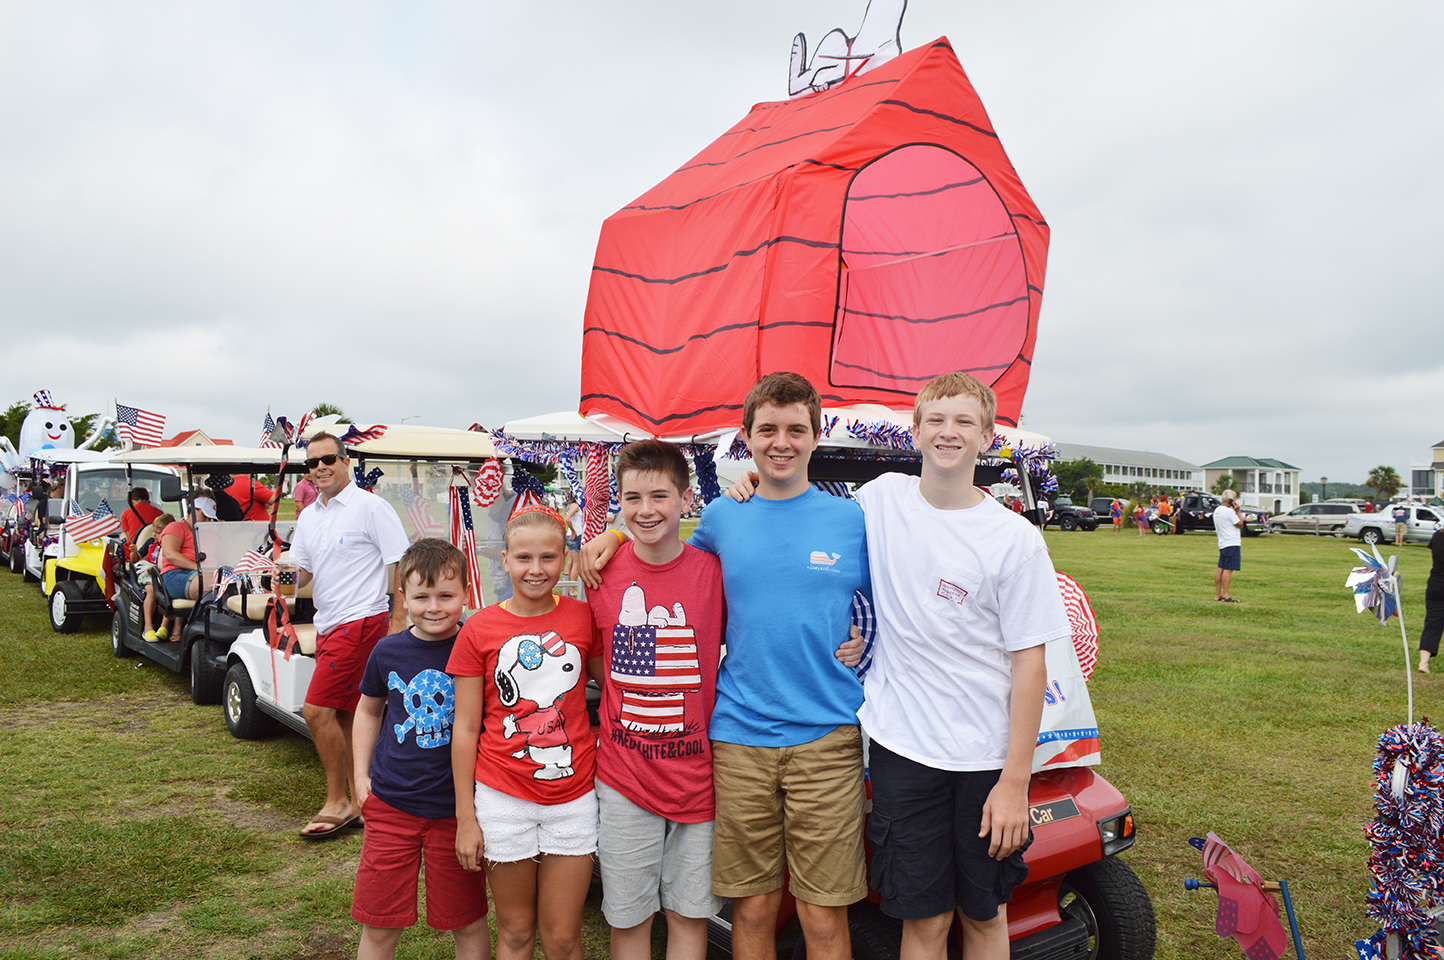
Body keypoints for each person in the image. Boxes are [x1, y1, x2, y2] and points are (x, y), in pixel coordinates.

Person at [581, 372, 871, 960]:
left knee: (822, 914)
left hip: (827, 736)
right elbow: (662, 551)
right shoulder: (722, 516)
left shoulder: (853, 520)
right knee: (753, 907)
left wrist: (864, 637)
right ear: (747, 436)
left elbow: (890, 599)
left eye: (796, 429)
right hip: (739, 737)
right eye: (768, 430)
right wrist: (612, 536)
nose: (781, 442)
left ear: (817, 436)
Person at [854, 372, 1065, 960]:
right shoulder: (881, 499)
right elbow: (807, 518)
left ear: (987, 437)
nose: (949, 432)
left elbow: (1031, 665)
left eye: (964, 422)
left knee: (984, 914)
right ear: (916, 431)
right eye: (937, 420)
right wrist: (751, 482)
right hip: (903, 751)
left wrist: (1015, 783)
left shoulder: (1014, 539)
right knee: (923, 921)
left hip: (986, 761)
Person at [585, 440, 725, 960]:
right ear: (619, 501)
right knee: (630, 917)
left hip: (698, 778)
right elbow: (595, 659)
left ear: (686, 499)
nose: (646, 510)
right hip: (625, 776)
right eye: (632, 498)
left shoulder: (713, 571)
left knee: (689, 916)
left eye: (660, 496)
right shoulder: (600, 573)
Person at [449, 506, 599, 960]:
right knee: (515, 932)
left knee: (562, 937)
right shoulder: (478, 628)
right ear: (505, 560)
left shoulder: (583, 618)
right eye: (524, 558)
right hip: (502, 799)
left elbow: (613, 689)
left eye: (548, 557)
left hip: (573, 797)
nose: (536, 569)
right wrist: (466, 818)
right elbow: (466, 728)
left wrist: (613, 537)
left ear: (565, 558)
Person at [350, 538, 490, 960]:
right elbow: (368, 711)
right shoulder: (387, 651)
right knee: (380, 924)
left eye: (446, 596)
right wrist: (359, 776)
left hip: (456, 813)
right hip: (392, 805)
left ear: (466, 593)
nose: (434, 607)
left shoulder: (479, 649)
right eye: (422, 596)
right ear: (403, 597)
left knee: (467, 922)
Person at [290, 431, 411, 840]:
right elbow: (304, 572)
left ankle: (337, 801)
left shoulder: (370, 507)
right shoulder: (309, 516)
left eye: (328, 459)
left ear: (345, 462)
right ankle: (362, 801)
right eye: (312, 463)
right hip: (328, 624)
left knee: (315, 711)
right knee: (345, 714)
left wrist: (398, 621)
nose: (320, 467)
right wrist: (284, 575)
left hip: (361, 622)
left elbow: (401, 562)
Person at [158, 495, 217, 603]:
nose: (207, 521)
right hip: (177, 573)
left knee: (234, 582)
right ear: (193, 510)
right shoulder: (176, 527)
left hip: (205, 572)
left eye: (210, 518)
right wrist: (198, 568)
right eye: (204, 516)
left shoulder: (209, 532)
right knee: (216, 583)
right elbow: (170, 554)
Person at [138, 512, 175, 641]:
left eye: (158, 533)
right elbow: (138, 559)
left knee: (171, 590)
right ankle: (148, 626)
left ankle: (164, 626)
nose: (154, 535)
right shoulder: (151, 543)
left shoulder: (172, 544)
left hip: (164, 575)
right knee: (152, 590)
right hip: (150, 575)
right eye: (154, 531)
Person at [1420, 526, 1444, 674]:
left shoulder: (1437, 536)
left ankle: (1423, 663)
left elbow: (1434, 559)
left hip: (1436, 584)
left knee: (1432, 622)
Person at [1214, 493, 1245, 602]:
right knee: (1228, 569)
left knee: (1221, 567)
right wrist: (1238, 512)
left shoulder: (1217, 510)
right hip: (1232, 542)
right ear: (1230, 500)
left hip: (1222, 542)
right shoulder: (1229, 511)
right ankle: (1226, 595)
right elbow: (1240, 524)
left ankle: (1218, 594)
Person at [120, 487, 163, 557]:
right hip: (155, 547)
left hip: (135, 549)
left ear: (131, 502)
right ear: (148, 501)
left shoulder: (125, 514)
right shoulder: (160, 513)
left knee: (120, 548)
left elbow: (129, 539)